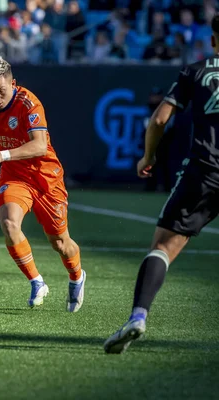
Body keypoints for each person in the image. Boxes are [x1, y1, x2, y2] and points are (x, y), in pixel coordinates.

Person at [104, 14, 219, 355]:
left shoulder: (196, 71)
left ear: (212, 40)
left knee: (163, 247)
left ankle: (138, 316)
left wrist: (147, 156)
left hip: (205, 171)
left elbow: (159, 119)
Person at [0, 56, 86, 311]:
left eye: (0, 91)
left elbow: (40, 145)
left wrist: (2, 154)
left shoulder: (28, 102)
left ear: (13, 83)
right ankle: (36, 281)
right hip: (14, 175)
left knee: (59, 243)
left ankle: (77, 276)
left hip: (46, 178)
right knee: (10, 223)